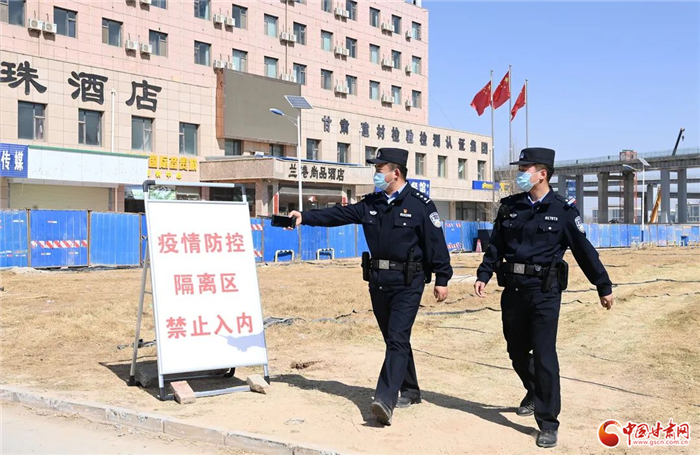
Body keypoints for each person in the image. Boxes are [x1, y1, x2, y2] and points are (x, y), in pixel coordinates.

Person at [285, 147, 453, 426]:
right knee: (394, 339)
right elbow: (339, 215)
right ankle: (411, 390)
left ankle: (384, 400)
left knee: (397, 337)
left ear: (395, 173)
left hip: (408, 284)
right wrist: (305, 216)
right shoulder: (371, 203)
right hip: (379, 283)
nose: (375, 173)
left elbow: (436, 243)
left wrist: (442, 278)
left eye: (379, 169)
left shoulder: (421, 205)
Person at [474, 147, 614, 449]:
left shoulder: (563, 211)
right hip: (513, 291)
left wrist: (602, 285)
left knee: (544, 354)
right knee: (515, 350)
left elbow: (584, 251)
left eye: (524, 169)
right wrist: (483, 274)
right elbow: (496, 245)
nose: (519, 174)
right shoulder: (510, 207)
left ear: (542, 174)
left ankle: (548, 421)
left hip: (544, 292)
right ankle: (534, 390)